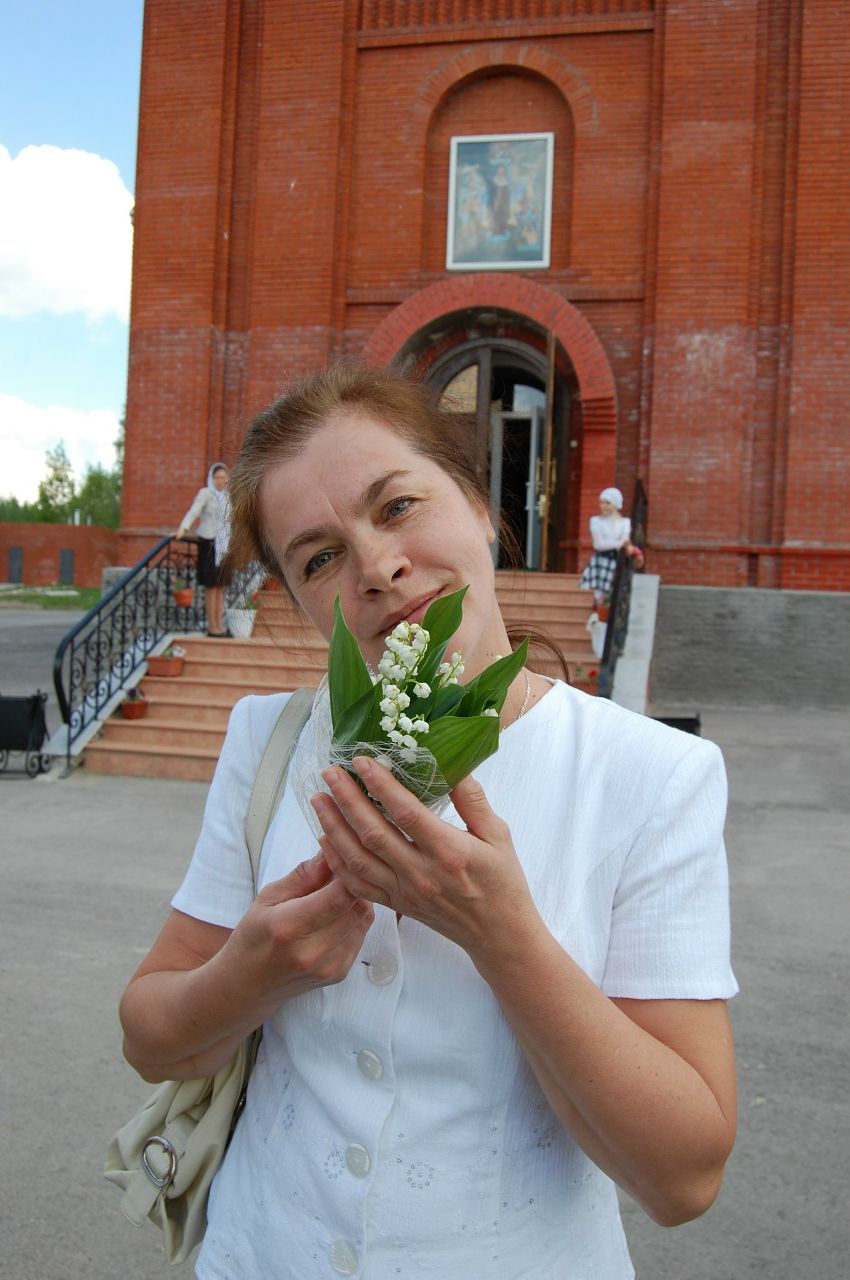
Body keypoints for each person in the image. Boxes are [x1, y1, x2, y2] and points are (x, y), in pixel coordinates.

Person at [121, 366, 737, 1280]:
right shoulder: (270, 740)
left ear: (483, 507)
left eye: (399, 505)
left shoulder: (650, 775)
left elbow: (684, 1177)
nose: (377, 568)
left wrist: (501, 934)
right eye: (318, 557)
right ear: (297, 605)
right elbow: (148, 1036)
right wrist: (250, 976)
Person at [175, 463, 230, 636]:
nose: (220, 481)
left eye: (223, 477)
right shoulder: (206, 493)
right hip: (208, 543)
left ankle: (220, 625)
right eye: (217, 477)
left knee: (221, 587)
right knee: (211, 586)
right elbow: (194, 511)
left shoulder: (228, 497)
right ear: (211, 479)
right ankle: (212, 627)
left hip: (224, 545)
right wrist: (183, 528)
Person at [579, 486, 633, 608]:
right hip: (602, 561)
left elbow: (625, 538)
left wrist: (621, 544)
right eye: (602, 503)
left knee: (616, 594)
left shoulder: (625, 522)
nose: (603, 506)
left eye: (607, 503)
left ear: (615, 503)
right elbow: (599, 544)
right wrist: (619, 544)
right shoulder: (596, 521)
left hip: (618, 561)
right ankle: (600, 621)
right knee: (601, 598)